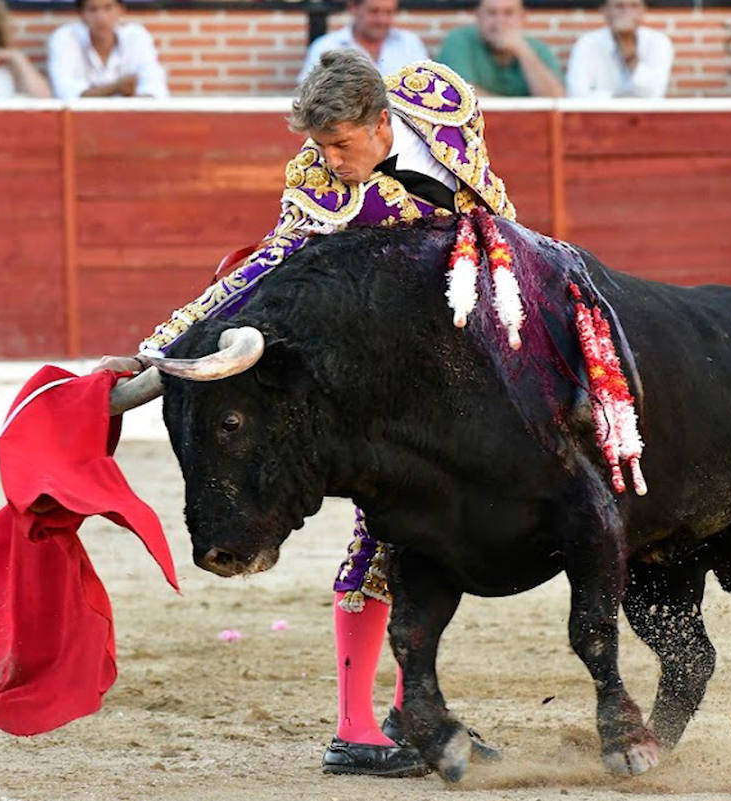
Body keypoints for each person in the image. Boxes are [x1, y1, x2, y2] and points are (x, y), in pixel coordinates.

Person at [95, 48, 514, 776]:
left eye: (341, 144)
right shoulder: (316, 183)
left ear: (382, 122)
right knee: (384, 537)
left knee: (444, 537)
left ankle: (415, 712)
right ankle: (355, 728)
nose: (329, 160)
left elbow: (491, 210)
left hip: (462, 354)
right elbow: (263, 264)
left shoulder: (442, 101)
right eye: (320, 145)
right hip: (382, 370)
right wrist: (157, 349)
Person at [437, 0, 564, 97]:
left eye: (508, 13)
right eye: (492, 13)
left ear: (522, 17)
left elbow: (556, 100)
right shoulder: (460, 41)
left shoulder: (538, 50)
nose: (499, 21)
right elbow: (458, 95)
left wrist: (522, 50)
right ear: (479, 16)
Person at [47, 0, 169, 99]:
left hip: (130, 118)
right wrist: (116, 88)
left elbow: (155, 87)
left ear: (121, 10)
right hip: (81, 119)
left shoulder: (136, 36)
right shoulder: (66, 38)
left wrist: (135, 103)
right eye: (93, 9)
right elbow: (65, 92)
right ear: (81, 14)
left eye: (108, 7)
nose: (101, 17)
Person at [297, 0, 428, 82]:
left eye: (389, 12)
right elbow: (308, 96)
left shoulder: (410, 43)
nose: (382, 20)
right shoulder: (326, 47)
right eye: (374, 11)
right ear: (353, 8)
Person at [566, 0, 673, 99]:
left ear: (643, 11)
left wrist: (630, 57)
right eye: (619, 6)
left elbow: (654, 93)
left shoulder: (658, 42)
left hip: (645, 113)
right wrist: (618, 100)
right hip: (601, 112)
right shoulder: (587, 43)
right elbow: (577, 93)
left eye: (634, 6)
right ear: (604, 11)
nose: (627, 12)